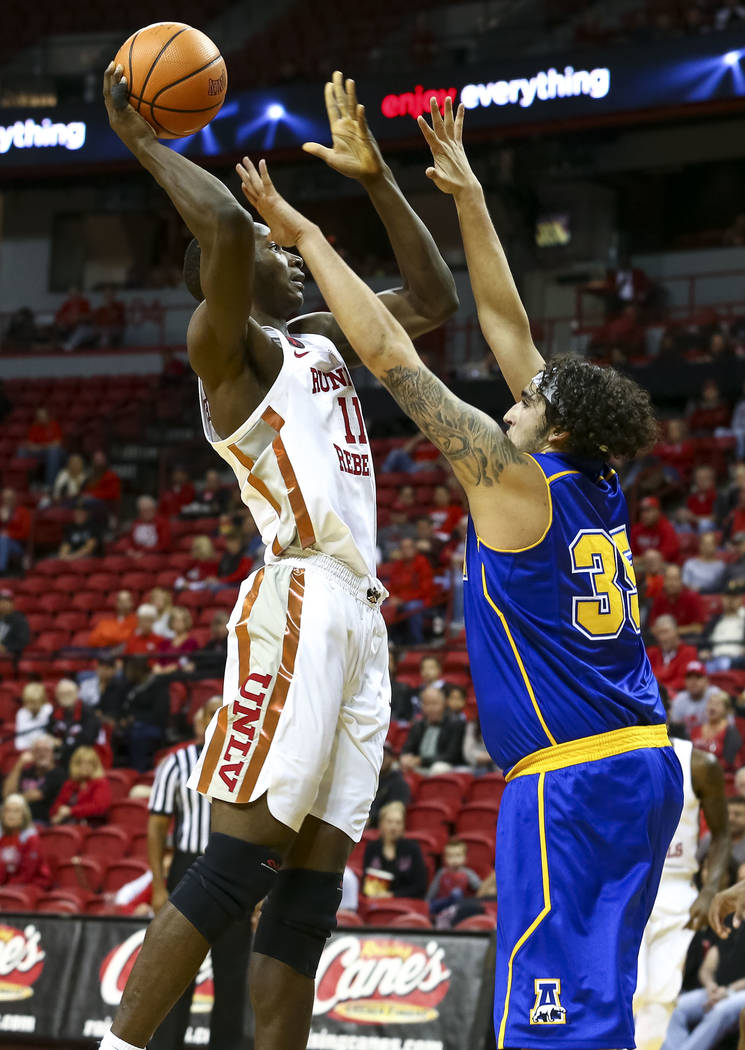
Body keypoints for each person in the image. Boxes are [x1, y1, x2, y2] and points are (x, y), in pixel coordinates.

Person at [237, 95, 684, 1049]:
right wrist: (468, 196)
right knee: (599, 1000)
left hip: (570, 780)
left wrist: (306, 233)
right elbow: (504, 320)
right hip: (644, 764)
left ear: (552, 425)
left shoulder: (511, 478)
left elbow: (391, 355)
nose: (512, 398)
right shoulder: (593, 475)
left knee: (552, 1020)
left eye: (528, 401)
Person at [101, 61, 456, 1050]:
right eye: (270, 249)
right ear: (224, 279)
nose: (284, 252)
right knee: (234, 868)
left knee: (305, 906)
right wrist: (142, 141)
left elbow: (431, 299)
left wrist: (377, 181)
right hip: (299, 596)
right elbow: (220, 225)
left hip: (361, 617)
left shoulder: (318, 337)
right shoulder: (230, 352)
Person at [148, 698, 253, 1050]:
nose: (216, 718)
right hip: (187, 867)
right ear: (198, 722)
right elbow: (157, 825)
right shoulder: (176, 763)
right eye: (209, 713)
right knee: (176, 969)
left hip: (235, 868)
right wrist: (158, 885)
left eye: (223, 711)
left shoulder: (252, 760)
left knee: (232, 974)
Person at [635, 734, 730, 1050]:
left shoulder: (699, 764)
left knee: (662, 996)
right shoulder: (613, 759)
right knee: (631, 989)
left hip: (676, 886)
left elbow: (721, 835)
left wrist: (709, 891)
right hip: (627, 885)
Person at [660, 917, 745, 1050]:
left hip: (738, 993)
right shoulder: (734, 921)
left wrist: (729, 991)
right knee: (675, 1007)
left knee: (720, 1010)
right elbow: (707, 967)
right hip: (719, 990)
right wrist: (710, 985)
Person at [361, 801, 428, 898]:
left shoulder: (412, 849)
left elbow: (420, 886)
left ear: (403, 826)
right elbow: (365, 880)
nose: (393, 827)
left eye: (398, 822)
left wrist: (391, 895)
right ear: (381, 824)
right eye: (389, 822)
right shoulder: (372, 848)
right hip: (375, 900)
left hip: (405, 902)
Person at [399, 685, 465, 773]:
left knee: (438, 768)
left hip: (445, 765)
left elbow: (451, 755)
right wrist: (405, 758)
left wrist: (422, 761)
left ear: (444, 703)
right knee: (395, 767)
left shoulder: (456, 724)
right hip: (418, 764)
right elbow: (407, 748)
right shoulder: (418, 724)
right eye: (426, 704)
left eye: (434, 703)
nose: (430, 708)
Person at [3, 735, 65, 825]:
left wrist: (13, 799)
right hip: (18, 820)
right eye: (38, 750)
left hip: (41, 821)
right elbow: (7, 793)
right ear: (32, 754)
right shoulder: (26, 772)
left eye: (46, 750)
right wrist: (20, 764)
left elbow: (36, 795)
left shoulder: (58, 773)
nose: (42, 754)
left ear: (53, 753)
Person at [387, 535, 434, 644]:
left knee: (412, 607)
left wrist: (402, 599)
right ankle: (392, 641)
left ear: (414, 549)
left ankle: (417, 642)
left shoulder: (422, 562)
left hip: (421, 601)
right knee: (382, 606)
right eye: (403, 548)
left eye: (409, 547)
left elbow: (425, 590)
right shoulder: (398, 565)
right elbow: (392, 586)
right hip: (401, 601)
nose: (406, 550)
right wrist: (392, 598)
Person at [49, 746, 111, 826]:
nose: (84, 767)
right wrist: (58, 813)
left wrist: (71, 811)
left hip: (90, 825)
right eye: (80, 763)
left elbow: (99, 806)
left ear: (95, 765)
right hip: (66, 823)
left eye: (89, 763)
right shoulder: (69, 784)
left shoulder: (101, 783)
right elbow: (57, 804)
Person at [0, 795, 51, 889]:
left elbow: (29, 873)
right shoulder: (2, 839)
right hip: (9, 887)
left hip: (33, 885)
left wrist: (6, 888)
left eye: (16, 811)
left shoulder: (31, 838)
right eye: (8, 811)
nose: (11, 815)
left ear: (24, 815)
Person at [49, 679, 102, 766]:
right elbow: (49, 733)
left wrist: (63, 745)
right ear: (57, 695)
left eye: (69, 693)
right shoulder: (54, 712)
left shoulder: (87, 712)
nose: (66, 696)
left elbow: (88, 739)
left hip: (83, 756)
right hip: (61, 755)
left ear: (77, 693)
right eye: (62, 693)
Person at [427, 838, 482, 924]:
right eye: (450, 856)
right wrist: (426, 903)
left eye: (458, 855)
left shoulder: (468, 873)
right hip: (442, 904)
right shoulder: (442, 873)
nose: (454, 860)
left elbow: (480, 888)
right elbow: (432, 892)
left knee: (456, 893)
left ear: (465, 858)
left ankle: (451, 913)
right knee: (430, 906)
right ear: (445, 858)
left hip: (460, 906)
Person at [691, 692, 742, 772]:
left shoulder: (731, 732)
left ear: (726, 710)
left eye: (717, 704)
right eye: (710, 703)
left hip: (719, 774)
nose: (712, 707)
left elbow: (728, 762)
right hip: (695, 773)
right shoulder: (695, 730)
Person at [647, 616, 699, 693]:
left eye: (666, 632)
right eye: (659, 633)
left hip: (678, 695)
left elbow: (683, 680)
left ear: (676, 631)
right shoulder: (651, 653)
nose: (662, 637)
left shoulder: (689, 652)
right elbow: (645, 677)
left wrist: (661, 685)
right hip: (653, 694)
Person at [700, 580, 745, 668]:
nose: (731, 601)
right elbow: (703, 640)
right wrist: (704, 651)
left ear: (740, 599)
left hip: (738, 659)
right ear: (722, 598)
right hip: (714, 659)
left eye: (734, 597)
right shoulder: (715, 620)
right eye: (728, 597)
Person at [650, 565, 706, 636]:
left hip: (687, 639)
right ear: (664, 581)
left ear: (681, 581)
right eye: (669, 579)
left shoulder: (693, 597)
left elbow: (699, 628)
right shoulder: (659, 598)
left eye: (675, 579)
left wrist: (673, 632)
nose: (672, 583)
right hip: (662, 639)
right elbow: (652, 627)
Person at [368, 742, 411, 827]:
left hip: (381, 826)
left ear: (392, 759)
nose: (382, 758)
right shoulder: (369, 779)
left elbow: (395, 811)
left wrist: (370, 819)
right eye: (379, 755)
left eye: (386, 755)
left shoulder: (399, 784)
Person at [671, 661, 721, 732]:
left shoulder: (715, 695)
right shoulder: (679, 700)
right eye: (689, 677)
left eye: (698, 677)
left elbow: (726, 726)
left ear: (707, 680)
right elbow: (675, 729)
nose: (693, 682)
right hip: (686, 738)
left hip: (712, 736)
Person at [20, 407, 64, 487]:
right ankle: (21, 482)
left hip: (56, 452)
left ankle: (50, 485)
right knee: (21, 450)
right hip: (41, 452)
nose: (41, 418)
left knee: (53, 451)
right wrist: (46, 446)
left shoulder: (54, 425)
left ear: (47, 416)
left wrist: (41, 446)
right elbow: (30, 445)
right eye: (39, 416)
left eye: (43, 416)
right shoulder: (34, 427)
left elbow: (57, 444)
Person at [631, 496, 680, 563]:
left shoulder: (666, 528)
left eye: (648, 511)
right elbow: (630, 553)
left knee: (651, 555)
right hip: (640, 565)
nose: (644, 515)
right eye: (642, 511)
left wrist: (641, 559)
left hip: (664, 565)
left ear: (657, 511)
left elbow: (665, 555)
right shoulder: (636, 529)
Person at [152, 607, 198, 675]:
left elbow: (186, 661)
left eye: (180, 621)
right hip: (162, 675)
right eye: (175, 621)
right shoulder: (165, 643)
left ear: (186, 622)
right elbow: (159, 661)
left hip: (180, 675)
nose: (177, 623)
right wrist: (157, 667)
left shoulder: (191, 642)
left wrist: (173, 668)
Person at [14, 682, 53, 751]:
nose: (33, 705)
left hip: (46, 748)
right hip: (27, 749)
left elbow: (50, 736)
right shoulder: (21, 713)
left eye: (35, 701)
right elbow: (19, 741)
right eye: (30, 702)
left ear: (42, 700)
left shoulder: (49, 710)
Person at [0, 489, 31, 574]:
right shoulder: (1, 511)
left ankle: (1, 569)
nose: (8, 501)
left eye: (10, 498)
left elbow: (25, 533)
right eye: (6, 499)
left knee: (4, 539)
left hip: (18, 545)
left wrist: (9, 534)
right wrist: (2, 520)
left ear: (15, 499)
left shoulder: (23, 512)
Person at [0, 589, 31, 662]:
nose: (3, 604)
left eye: (7, 601)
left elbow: (23, 641)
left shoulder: (19, 620)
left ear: (12, 604)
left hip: (11, 657)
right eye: (1, 601)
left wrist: (6, 648)